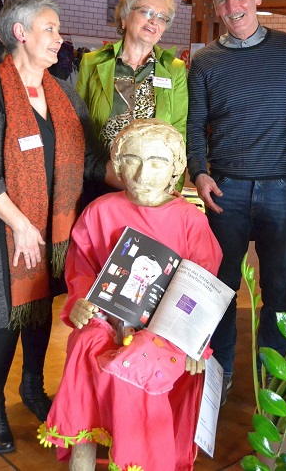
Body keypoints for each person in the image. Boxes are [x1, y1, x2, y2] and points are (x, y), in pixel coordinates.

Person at [0, 0, 108, 454]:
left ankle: (32, 388)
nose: (59, 38)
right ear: (20, 33)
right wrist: (22, 225)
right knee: (5, 320)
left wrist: (131, 176)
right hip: (8, 232)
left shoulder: (62, 90)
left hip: (53, 228)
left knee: (39, 311)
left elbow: (86, 158)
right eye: (50, 28)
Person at [44, 119, 222, 471]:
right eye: (132, 160)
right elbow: (82, 269)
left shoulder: (191, 221)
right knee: (85, 346)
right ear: (117, 165)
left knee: (138, 363)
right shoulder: (100, 211)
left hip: (165, 330)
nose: (143, 174)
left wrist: (194, 341)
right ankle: (83, 452)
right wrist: (81, 301)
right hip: (107, 318)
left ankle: (138, 458)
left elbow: (201, 291)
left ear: (176, 169)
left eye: (156, 162)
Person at [186, 0, 286, 402]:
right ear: (214, 7)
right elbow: (194, 124)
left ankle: (274, 376)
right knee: (220, 287)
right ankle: (219, 371)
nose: (232, 6)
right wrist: (199, 172)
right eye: (223, 0)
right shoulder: (205, 60)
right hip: (225, 190)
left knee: (279, 287)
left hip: (282, 188)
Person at [77, 0, 187, 200]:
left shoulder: (174, 69)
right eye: (146, 12)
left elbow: (178, 129)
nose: (154, 21)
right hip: (100, 178)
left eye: (162, 17)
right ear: (125, 18)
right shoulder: (92, 62)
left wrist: (175, 182)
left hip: (152, 184)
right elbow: (78, 123)